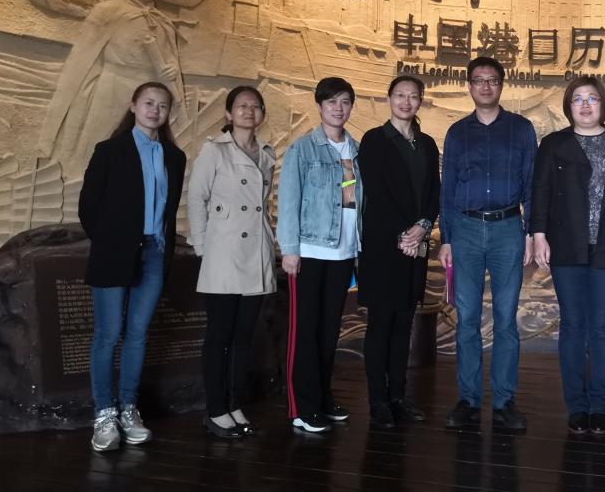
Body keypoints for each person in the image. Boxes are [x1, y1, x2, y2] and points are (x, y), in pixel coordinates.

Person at [530, 76, 605, 436]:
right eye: (577, 99)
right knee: (573, 325)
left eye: (591, 98)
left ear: (602, 103)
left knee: (602, 328)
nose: (584, 105)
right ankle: (577, 406)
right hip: (567, 245)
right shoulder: (553, 144)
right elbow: (540, 191)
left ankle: (601, 405)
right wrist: (538, 234)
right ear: (569, 106)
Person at [78, 81, 186, 453]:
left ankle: (128, 408)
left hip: (154, 252)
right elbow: (88, 207)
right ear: (133, 106)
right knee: (108, 334)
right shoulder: (110, 150)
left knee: (137, 334)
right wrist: (111, 241)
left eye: (162, 105)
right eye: (148, 103)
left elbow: (168, 210)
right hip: (115, 252)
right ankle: (104, 413)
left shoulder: (174, 156)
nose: (155, 110)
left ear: (168, 113)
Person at [438, 56, 537, 432]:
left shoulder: (521, 129)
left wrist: (531, 232)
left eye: (492, 80)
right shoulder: (457, 133)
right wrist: (446, 238)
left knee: (506, 319)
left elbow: (531, 184)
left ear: (501, 85)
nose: (485, 86)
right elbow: (447, 189)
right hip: (464, 230)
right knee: (466, 319)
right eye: (478, 80)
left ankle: (504, 401)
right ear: (469, 86)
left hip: (508, 229)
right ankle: (468, 399)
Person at [39, 0, 188, 178]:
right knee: (99, 142)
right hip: (114, 85)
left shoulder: (161, 20)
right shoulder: (108, 11)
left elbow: (170, 59)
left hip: (148, 95)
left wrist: (171, 69)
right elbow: (82, 56)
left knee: (140, 152)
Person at [187, 86, 276, 439]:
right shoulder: (214, 150)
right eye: (241, 106)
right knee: (219, 334)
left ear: (262, 114)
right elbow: (196, 198)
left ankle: (235, 403)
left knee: (243, 336)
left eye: (255, 106)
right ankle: (215, 409)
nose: (249, 111)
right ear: (228, 113)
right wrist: (203, 248)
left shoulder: (267, 154)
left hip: (256, 253)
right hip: (223, 252)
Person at [277, 77, 361, 434]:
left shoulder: (356, 150)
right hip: (309, 252)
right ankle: (302, 407)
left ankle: (323, 398)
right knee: (304, 331)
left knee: (329, 331)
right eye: (331, 102)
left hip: (343, 252)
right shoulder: (303, 149)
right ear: (319, 106)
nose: (338, 108)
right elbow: (289, 200)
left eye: (345, 101)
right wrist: (289, 250)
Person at [357, 75, 441, 428]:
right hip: (383, 245)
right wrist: (403, 234)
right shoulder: (374, 140)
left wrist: (422, 226)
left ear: (421, 101)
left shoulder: (427, 144)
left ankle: (398, 397)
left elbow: (434, 192)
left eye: (413, 96)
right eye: (400, 95)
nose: (406, 102)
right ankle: (378, 400)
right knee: (381, 324)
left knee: (404, 323)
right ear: (389, 99)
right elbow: (376, 192)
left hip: (416, 243)